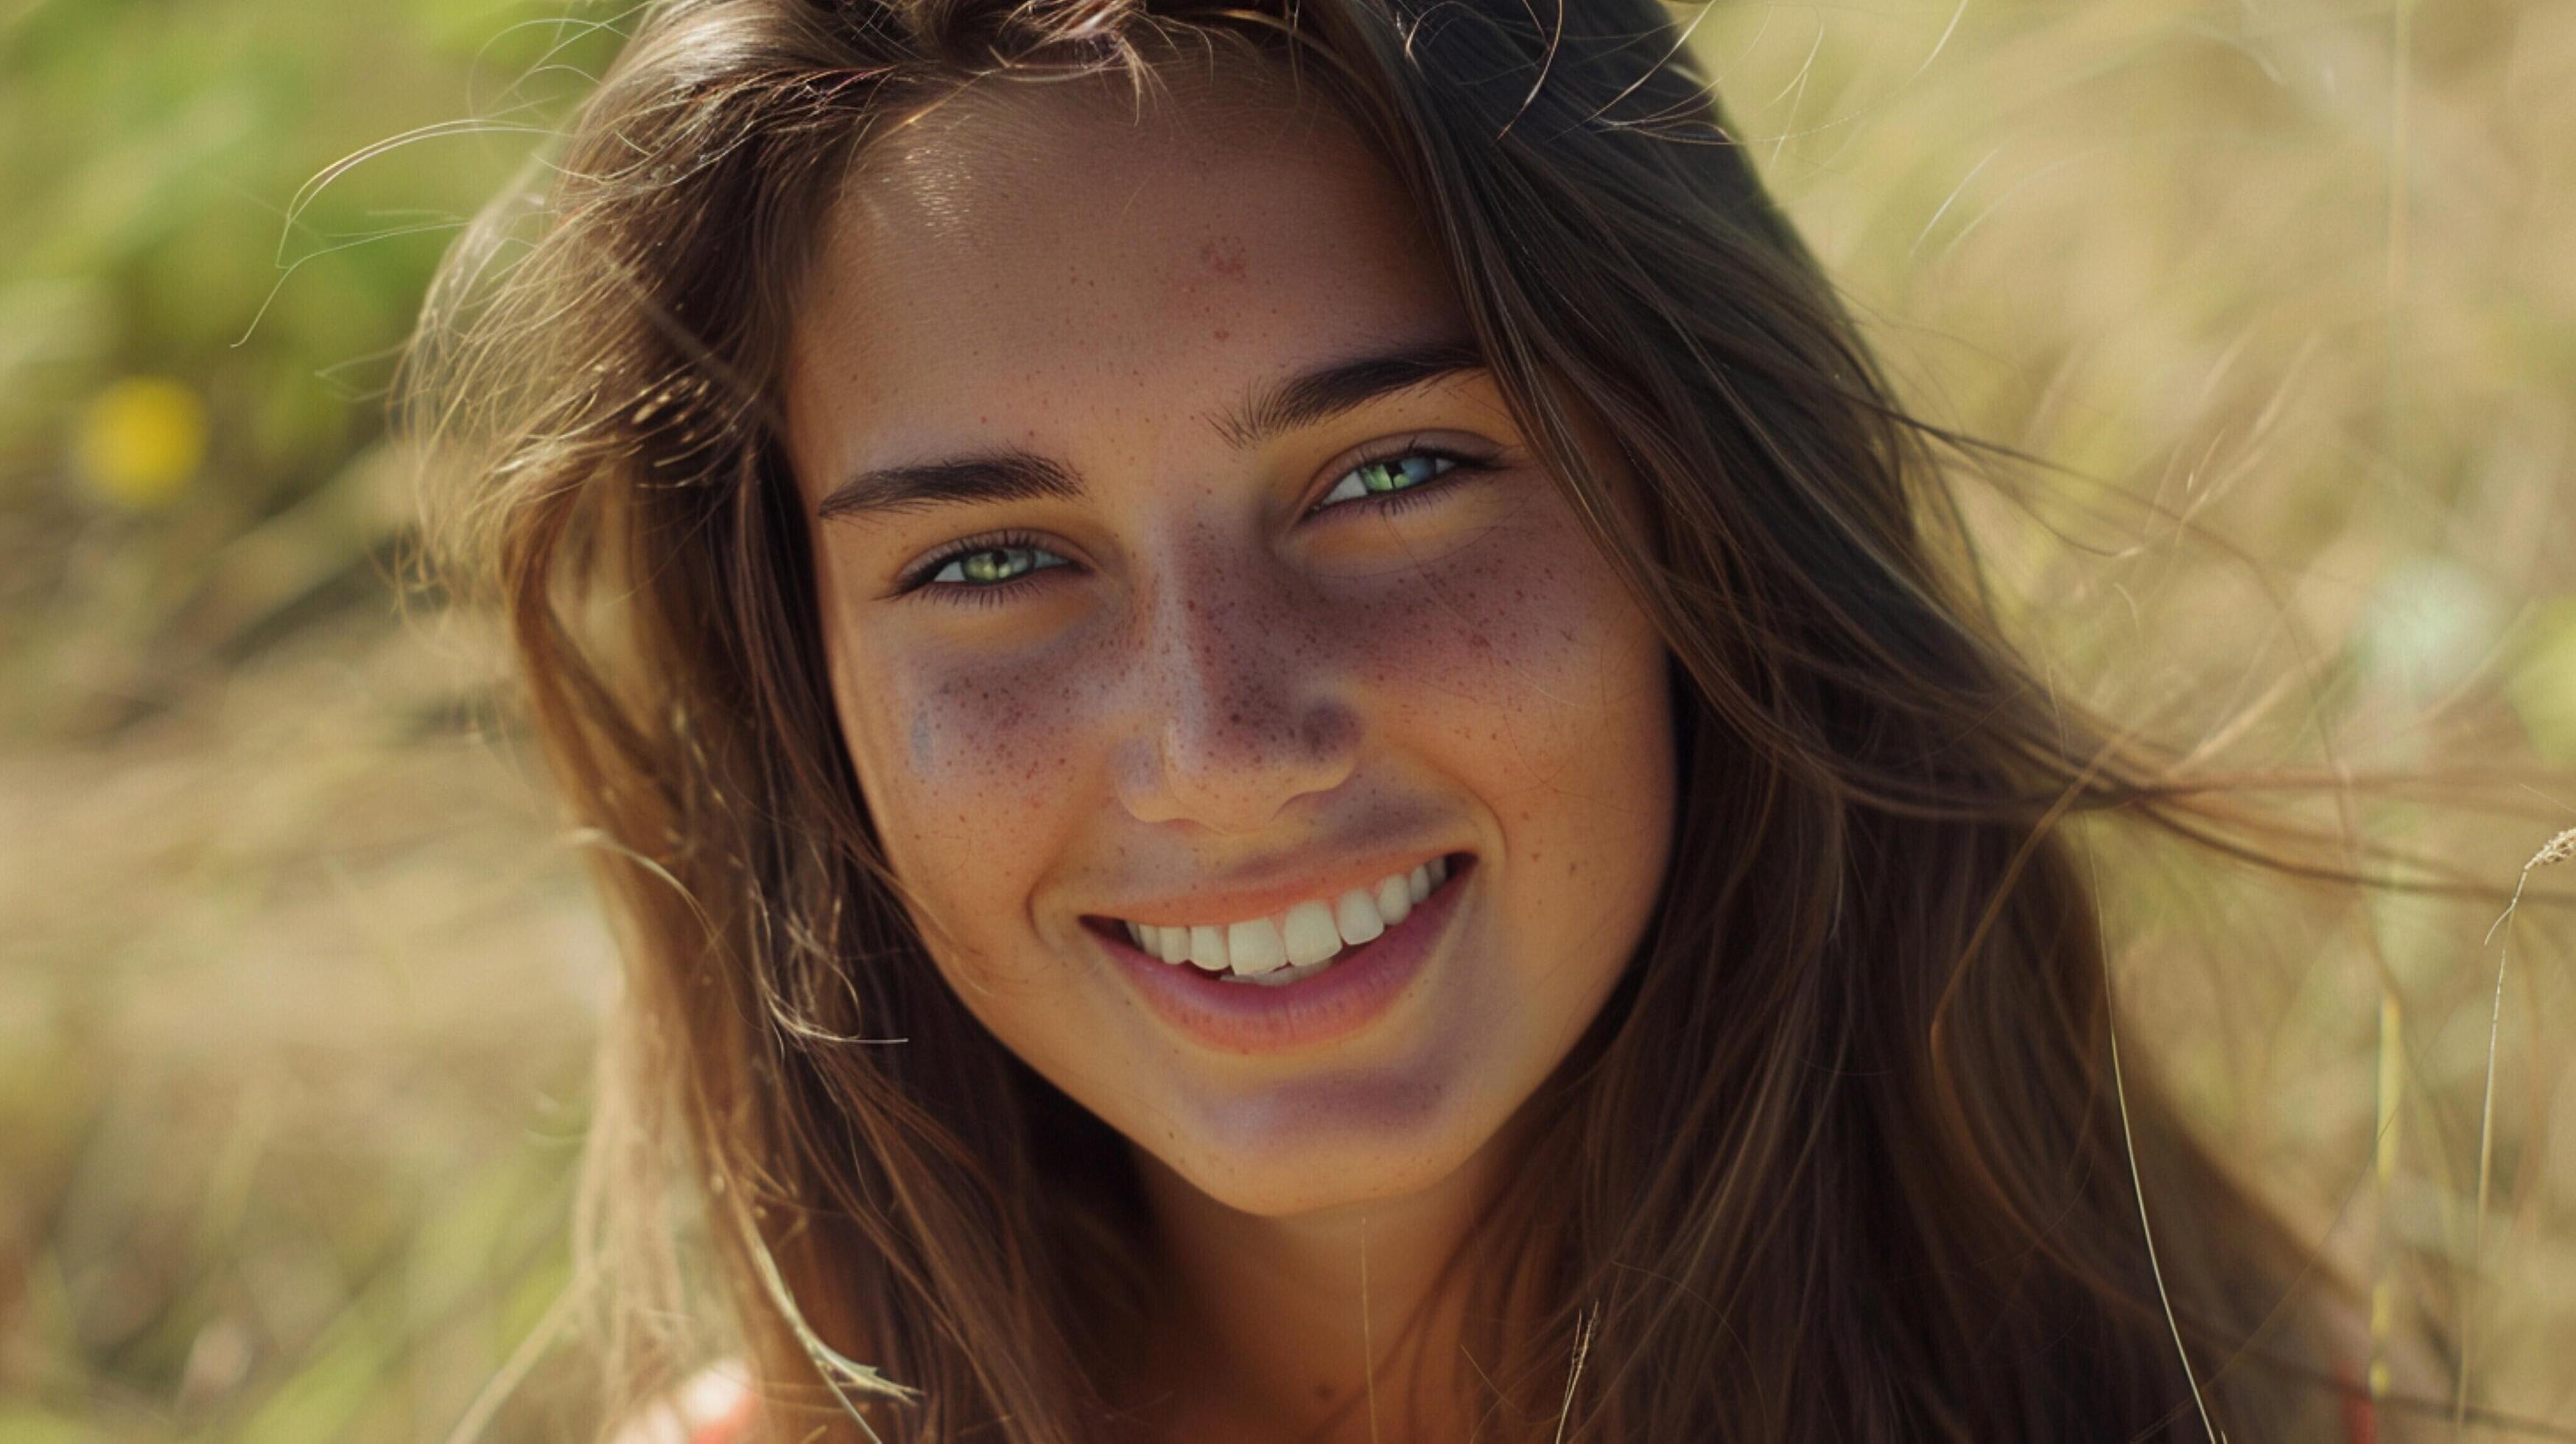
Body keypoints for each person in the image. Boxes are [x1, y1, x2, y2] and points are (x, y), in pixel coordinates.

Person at [403, 1, 2445, 1438]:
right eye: (989, 562)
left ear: (1698, 522)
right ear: (814, 710)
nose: (1220, 740)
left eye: (1388, 477)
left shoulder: (2215, 1399)